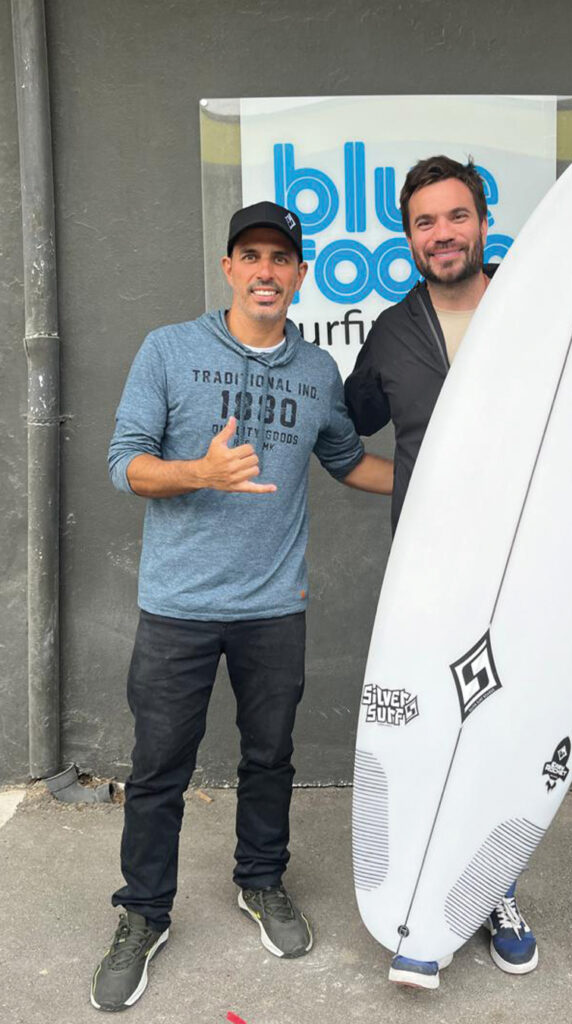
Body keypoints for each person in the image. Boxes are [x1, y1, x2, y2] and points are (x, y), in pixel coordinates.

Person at [344, 155, 572, 989]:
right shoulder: (392, 331)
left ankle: (492, 892)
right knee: (434, 730)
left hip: (541, 571)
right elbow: (346, 433)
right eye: (424, 222)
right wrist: (412, 488)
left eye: (455, 216)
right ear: (409, 236)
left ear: (484, 222)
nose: (441, 234)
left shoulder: (550, 312)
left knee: (509, 728)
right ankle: (425, 894)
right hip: (433, 575)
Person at [92, 201, 393, 1013]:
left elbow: (347, 462)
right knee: (159, 770)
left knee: (270, 758)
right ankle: (142, 914)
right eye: (250, 256)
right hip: (177, 607)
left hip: (273, 607)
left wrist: (434, 481)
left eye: (281, 259)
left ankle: (261, 881)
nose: (266, 271)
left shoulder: (316, 373)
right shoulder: (169, 350)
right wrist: (200, 472)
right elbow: (125, 465)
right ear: (228, 268)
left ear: (300, 276)